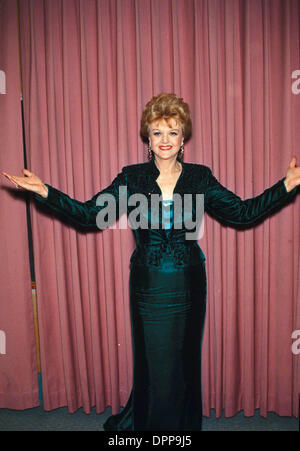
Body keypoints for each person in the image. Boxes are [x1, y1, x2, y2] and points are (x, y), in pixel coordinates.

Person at [2, 93, 300, 431]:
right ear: (148, 137)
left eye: (172, 132)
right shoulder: (132, 178)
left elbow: (243, 213)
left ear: (183, 137)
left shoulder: (200, 177)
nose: (165, 140)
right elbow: (89, 215)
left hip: (189, 285)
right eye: (157, 132)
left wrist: (286, 186)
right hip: (148, 287)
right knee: (152, 363)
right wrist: (46, 192)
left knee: (185, 363)